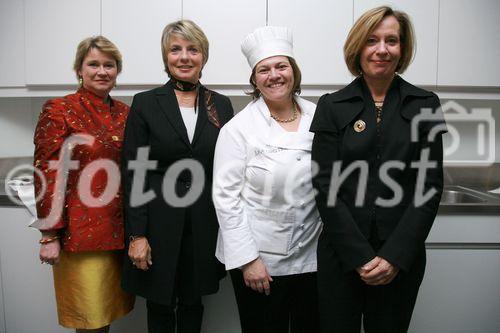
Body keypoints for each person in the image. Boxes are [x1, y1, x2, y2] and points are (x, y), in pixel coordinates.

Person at [310, 6, 447, 333]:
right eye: (372, 40)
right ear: (358, 47)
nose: (382, 49)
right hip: (341, 256)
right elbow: (325, 187)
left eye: (392, 41)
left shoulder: (425, 104)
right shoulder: (332, 106)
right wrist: (358, 256)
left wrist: (394, 257)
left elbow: (428, 188)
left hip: (400, 259)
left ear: (403, 49)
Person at [120, 20, 234, 333]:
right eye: (175, 49)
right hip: (157, 225)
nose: (184, 57)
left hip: (204, 223)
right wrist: (137, 235)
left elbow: (227, 167)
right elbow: (135, 172)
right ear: (166, 57)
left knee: (193, 304)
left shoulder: (220, 105)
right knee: (159, 304)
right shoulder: (146, 103)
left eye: (193, 49)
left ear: (203, 57)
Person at [213, 26, 322, 333]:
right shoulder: (237, 129)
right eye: (264, 69)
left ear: (294, 71)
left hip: (313, 254)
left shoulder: (320, 117)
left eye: (281, 66)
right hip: (261, 258)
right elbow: (226, 199)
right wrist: (248, 260)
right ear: (255, 79)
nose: (274, 75)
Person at [33, 36, 134, 333]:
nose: (102, 71)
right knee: (90, 321)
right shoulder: (59, 109)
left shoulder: (126, 113)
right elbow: (47, 172)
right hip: (81, 237)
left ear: (117, 71)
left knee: (109, 314)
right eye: (93, 64)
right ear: (79, 69)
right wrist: (49, 235)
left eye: (109, 65)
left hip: (121, 233)